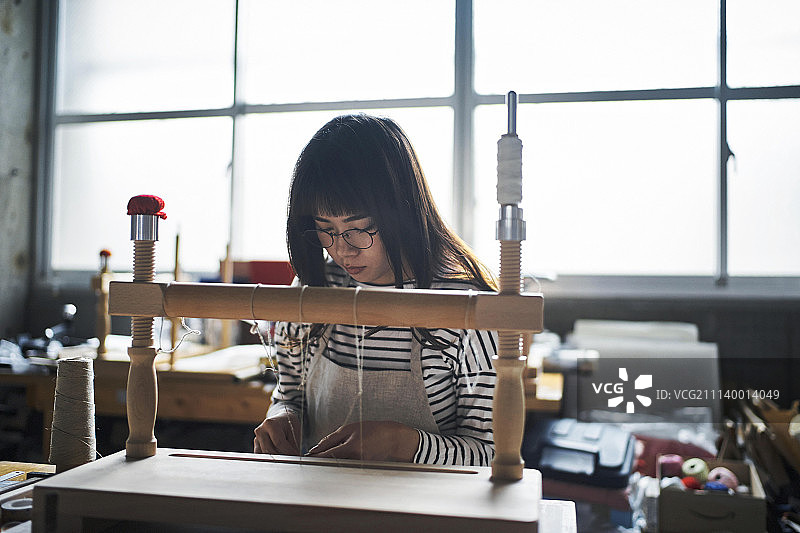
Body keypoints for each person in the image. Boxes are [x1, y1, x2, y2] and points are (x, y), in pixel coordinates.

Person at [253, 114, 498, 466]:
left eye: (360, 227)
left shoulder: (465, 310)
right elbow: (289, 395)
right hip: (321, 495)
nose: (342, 249)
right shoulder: (316, 288)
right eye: (325, 229)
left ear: (403, 213)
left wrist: (407, 445)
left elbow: (491, 455)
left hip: (426, 502)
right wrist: (283, 418)